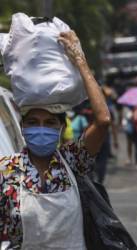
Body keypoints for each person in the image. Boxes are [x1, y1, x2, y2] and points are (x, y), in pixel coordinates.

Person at [0, 31, 111, 249]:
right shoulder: (6, 171)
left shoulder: (72, 162)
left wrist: (80, 61)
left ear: (61, 127)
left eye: (49, 123)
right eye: (33, 122)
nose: (41, 129)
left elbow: (103, 120)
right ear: (23, 127)